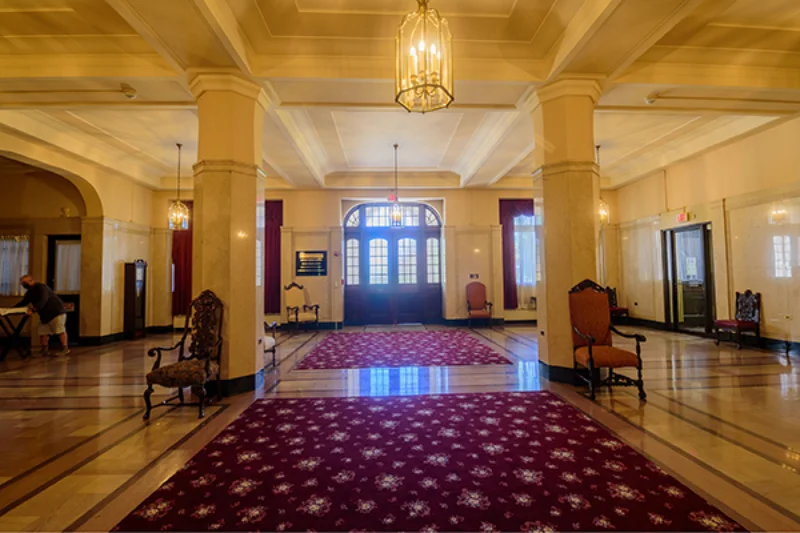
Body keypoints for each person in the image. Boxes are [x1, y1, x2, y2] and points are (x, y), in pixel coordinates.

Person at [15, 275, 70, 357]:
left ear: (31, 280)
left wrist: (34, 310)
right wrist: (12, 308)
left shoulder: (41, 287)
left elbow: (43, 299)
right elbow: (24, 302)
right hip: (45, 315)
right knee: (43, 331)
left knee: (60, 330)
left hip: (56, 312)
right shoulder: (30, 292)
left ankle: (65, 348)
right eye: (22, 283)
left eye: (25, 283)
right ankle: (44, 349)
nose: (23, 285)